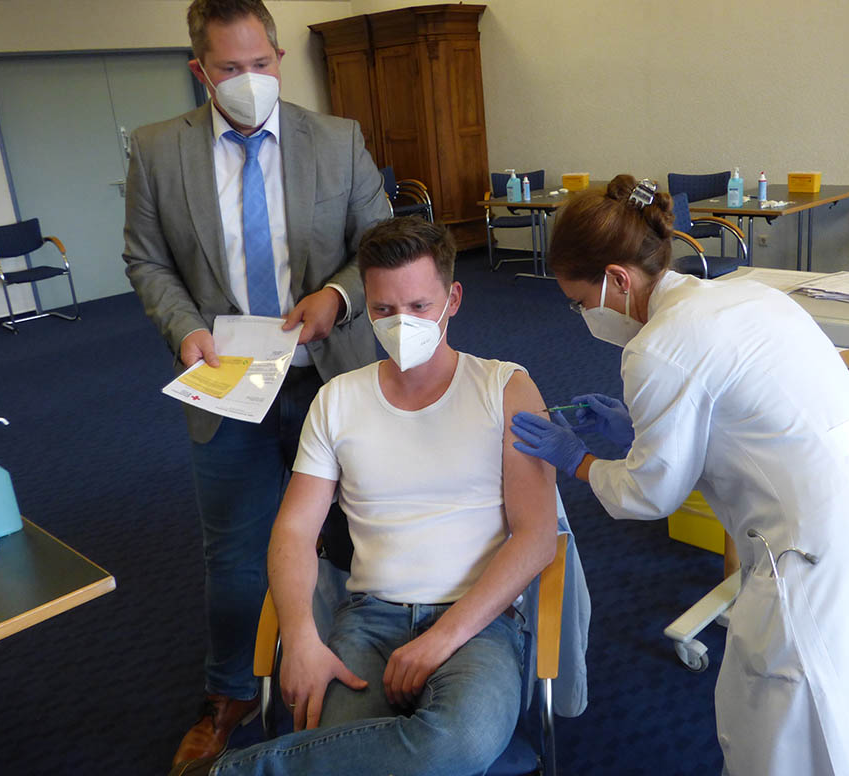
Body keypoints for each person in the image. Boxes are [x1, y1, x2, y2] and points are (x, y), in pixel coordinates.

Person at [509, 175, 849, 775]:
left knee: (789, 739)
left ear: (616, 279)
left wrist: (578, 459)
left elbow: (649, 494)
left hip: (811, 567)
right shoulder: (745, 295)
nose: (584, 315)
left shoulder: (657, 348)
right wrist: (637, 435)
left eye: (581, 301)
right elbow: (738, 424)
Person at [169, 216, 559, 776]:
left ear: (453, 298)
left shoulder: (505, 387)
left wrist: (441, 639)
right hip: (370, 618)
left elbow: (536, 536)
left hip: (479, 620)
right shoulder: (337, 400)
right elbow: (295, 531)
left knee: (458, 742)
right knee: (363, 753)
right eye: (383, 310)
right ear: (366, 307)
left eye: (420, 307)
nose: (402, 324)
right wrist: (301, 638)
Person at [121, 0, 391, 764]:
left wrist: (337, 297)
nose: (251, 76)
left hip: (328, 373)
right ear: (201, 71)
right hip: (227, 380)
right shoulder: (158, 149)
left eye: (263, 60)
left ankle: (346, 666)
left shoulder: (336, 139)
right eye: (231, 65)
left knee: (350, 532)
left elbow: (380, 240)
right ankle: (230, 691)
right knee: (235, 549)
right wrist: (184, 329)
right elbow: (147, 258)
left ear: (278, 54)